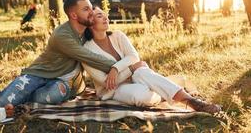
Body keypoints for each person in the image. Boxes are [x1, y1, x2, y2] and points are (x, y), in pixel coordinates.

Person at [0, 0, 120, 112]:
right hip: (38, 74)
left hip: (63, 80)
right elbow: (89, 57)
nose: (91, 12)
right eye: (86, 9)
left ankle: (21, 98)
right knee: (2, 102)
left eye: (91, 8)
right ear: (74, 15)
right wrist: (119, 66)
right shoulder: (62, 35)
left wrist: (125, 64)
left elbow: (107, 39)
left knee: (54, 95)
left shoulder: (88, 30)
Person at [82, 7, 221, 114]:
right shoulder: (87, 50)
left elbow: (133, 56)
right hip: (114, 91)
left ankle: (193, 102)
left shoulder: (118, 35)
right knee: (141, 96)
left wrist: (116, 68)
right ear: (90, 22)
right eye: (100, 16)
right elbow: (106, 83)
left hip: (137, 76)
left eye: (105, 14)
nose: (106, 17)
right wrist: (131, 68)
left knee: (142, 72)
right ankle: (167, 88)